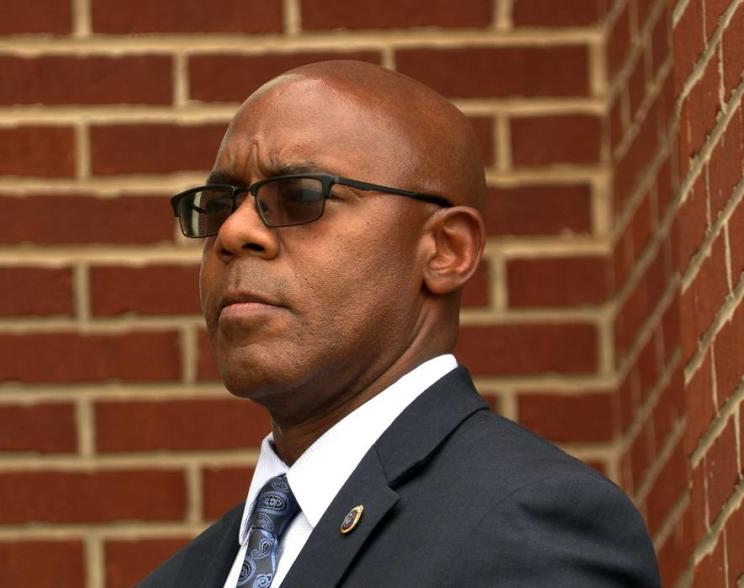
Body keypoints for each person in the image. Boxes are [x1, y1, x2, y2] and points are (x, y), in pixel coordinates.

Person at [142, 61, 660, 587]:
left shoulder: (529, 524)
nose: (234, 232)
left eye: (300, 195)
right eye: (218, 207)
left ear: (445, 251)